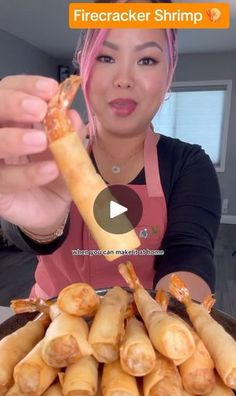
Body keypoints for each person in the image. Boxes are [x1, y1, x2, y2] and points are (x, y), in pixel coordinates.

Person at [0, 0, 221, 301]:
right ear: (83, 63)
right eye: (106, 57)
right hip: (50, 332)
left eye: (147, 60)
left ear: (170, 70)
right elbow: (26, 235)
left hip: (143, 333)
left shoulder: (188, 164)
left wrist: (165, 324)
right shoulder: (48, 154)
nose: (124, 80)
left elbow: (189, 253)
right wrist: (43, 225)